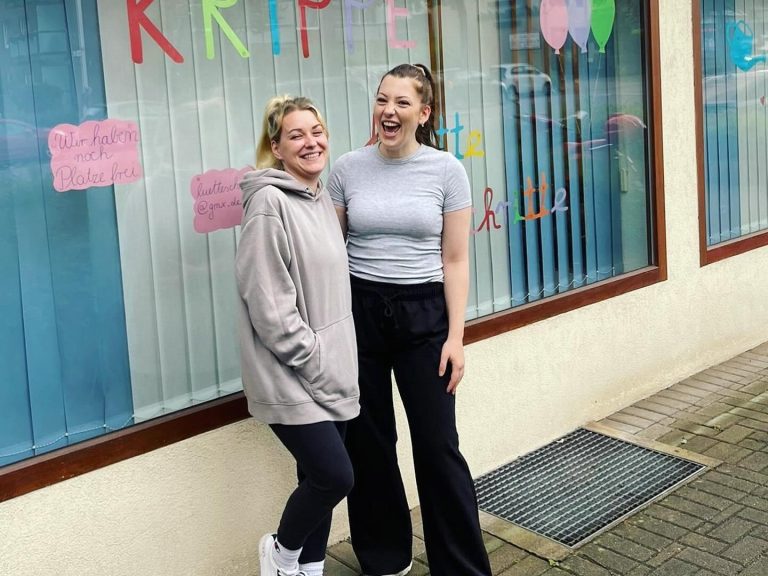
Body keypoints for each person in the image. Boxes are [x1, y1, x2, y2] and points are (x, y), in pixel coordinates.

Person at [327, 64, 492, 576]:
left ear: (423, 113)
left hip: (425, 315)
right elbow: (330, 251)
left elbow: (456, 260)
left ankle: (460, 567)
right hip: (360, 311)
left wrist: (456, 338)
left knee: (438, 446)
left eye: (402, 102)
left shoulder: (446, 171)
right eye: (382, 100)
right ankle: (385, 557)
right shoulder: (347, 169)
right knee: (369, 442)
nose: (389, 111)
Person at [235, 95, 359, 576]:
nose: (311, 142)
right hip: (292, 373)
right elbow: (267, 305)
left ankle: (309, 568)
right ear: (277, 148)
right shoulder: (269, 204)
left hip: (330, 370)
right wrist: (315, 358)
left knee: (315, 479)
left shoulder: (320, 197)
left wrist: (333, 360)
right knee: (334, 477)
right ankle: (280, 555)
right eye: (296, 135)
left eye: (317, 131)